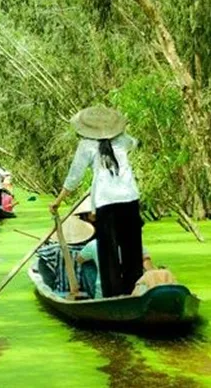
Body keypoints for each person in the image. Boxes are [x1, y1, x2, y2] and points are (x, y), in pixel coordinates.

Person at [49, 106, 143, 298]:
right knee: (132, 249)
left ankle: (113, 296)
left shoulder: (86, 145)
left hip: (106, 202)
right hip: (130, 198)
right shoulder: (123, 140)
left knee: (108, 252)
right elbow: (136, 143)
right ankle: (134, 291)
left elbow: (74, 176)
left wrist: (58, 201)